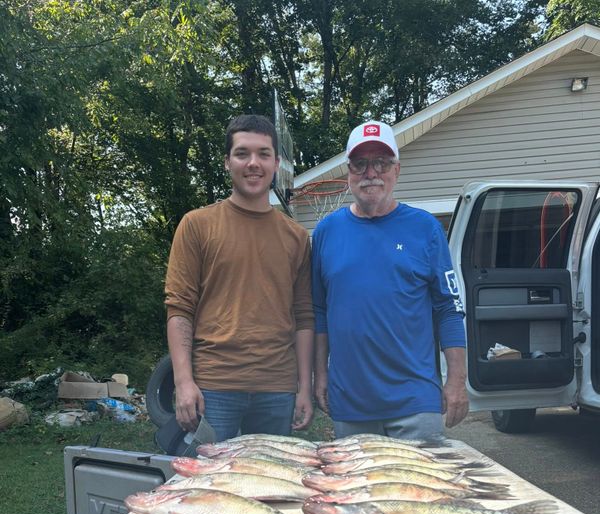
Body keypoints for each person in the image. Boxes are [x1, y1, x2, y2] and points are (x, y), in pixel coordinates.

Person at [311, 120, 468, 441]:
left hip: (415, 402)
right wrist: (320, 376)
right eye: (360, 164)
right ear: (348, 172)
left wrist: (456, 381)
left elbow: (449, 309)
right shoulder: (327, 232)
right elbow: (319, 312)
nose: (371, 173)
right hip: (350, 403)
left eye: (381, 163)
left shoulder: (425, 228)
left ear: (397, 170)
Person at [164, 114, 314, 442]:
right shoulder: (196, 225)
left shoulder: (297, 237)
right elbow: (179, 309)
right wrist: (183, 381)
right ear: (227, 162)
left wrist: (305, 387)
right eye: (242, 153)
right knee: (208, 475)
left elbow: (304, 317)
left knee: (270, 477)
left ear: (276, 163)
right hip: (214, 386)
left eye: (263, 154)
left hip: (278, 388)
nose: (253, 163)